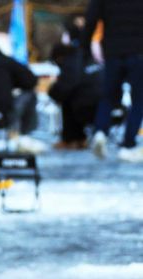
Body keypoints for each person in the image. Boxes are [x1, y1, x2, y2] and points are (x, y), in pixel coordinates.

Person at [84, 0, 143, 162]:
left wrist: (83, 49)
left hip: (113, 50)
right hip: (138, 51)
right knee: (139, 100)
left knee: (108, 97)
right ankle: (128, 144)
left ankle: (101, 132)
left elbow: (91, 19)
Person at [48, 43, 101, 149]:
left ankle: (71, 140)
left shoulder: (71, 62)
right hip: (106, 104)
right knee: (77, 96)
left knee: (68, 99)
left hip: (89, 106)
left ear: (59, 57)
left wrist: (52, 93)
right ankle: (80, 139)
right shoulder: (87, 57)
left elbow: (66, 85)